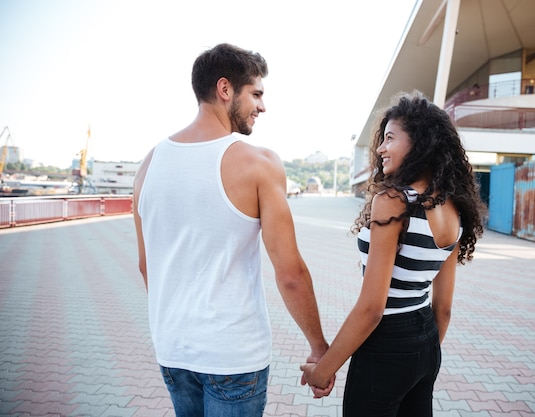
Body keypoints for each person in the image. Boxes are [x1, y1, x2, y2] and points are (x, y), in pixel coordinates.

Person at [133, 43, 332, 417]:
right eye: (256, 93)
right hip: (233, 355)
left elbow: (147, 267)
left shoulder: (149, 164)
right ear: (226, 90)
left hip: (172, 350)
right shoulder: (258, 163)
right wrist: (320, 349)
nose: (262, 106)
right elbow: (290, 274)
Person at [301, 90, 485, 416]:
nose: (381, 148)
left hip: (386, 341)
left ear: (420, 142)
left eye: (389, 138)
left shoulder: (393, 201)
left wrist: (324, 369)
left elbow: (372, 308)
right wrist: (419, 356)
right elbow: (443, 308)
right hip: (426, 340)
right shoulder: (454, 206)